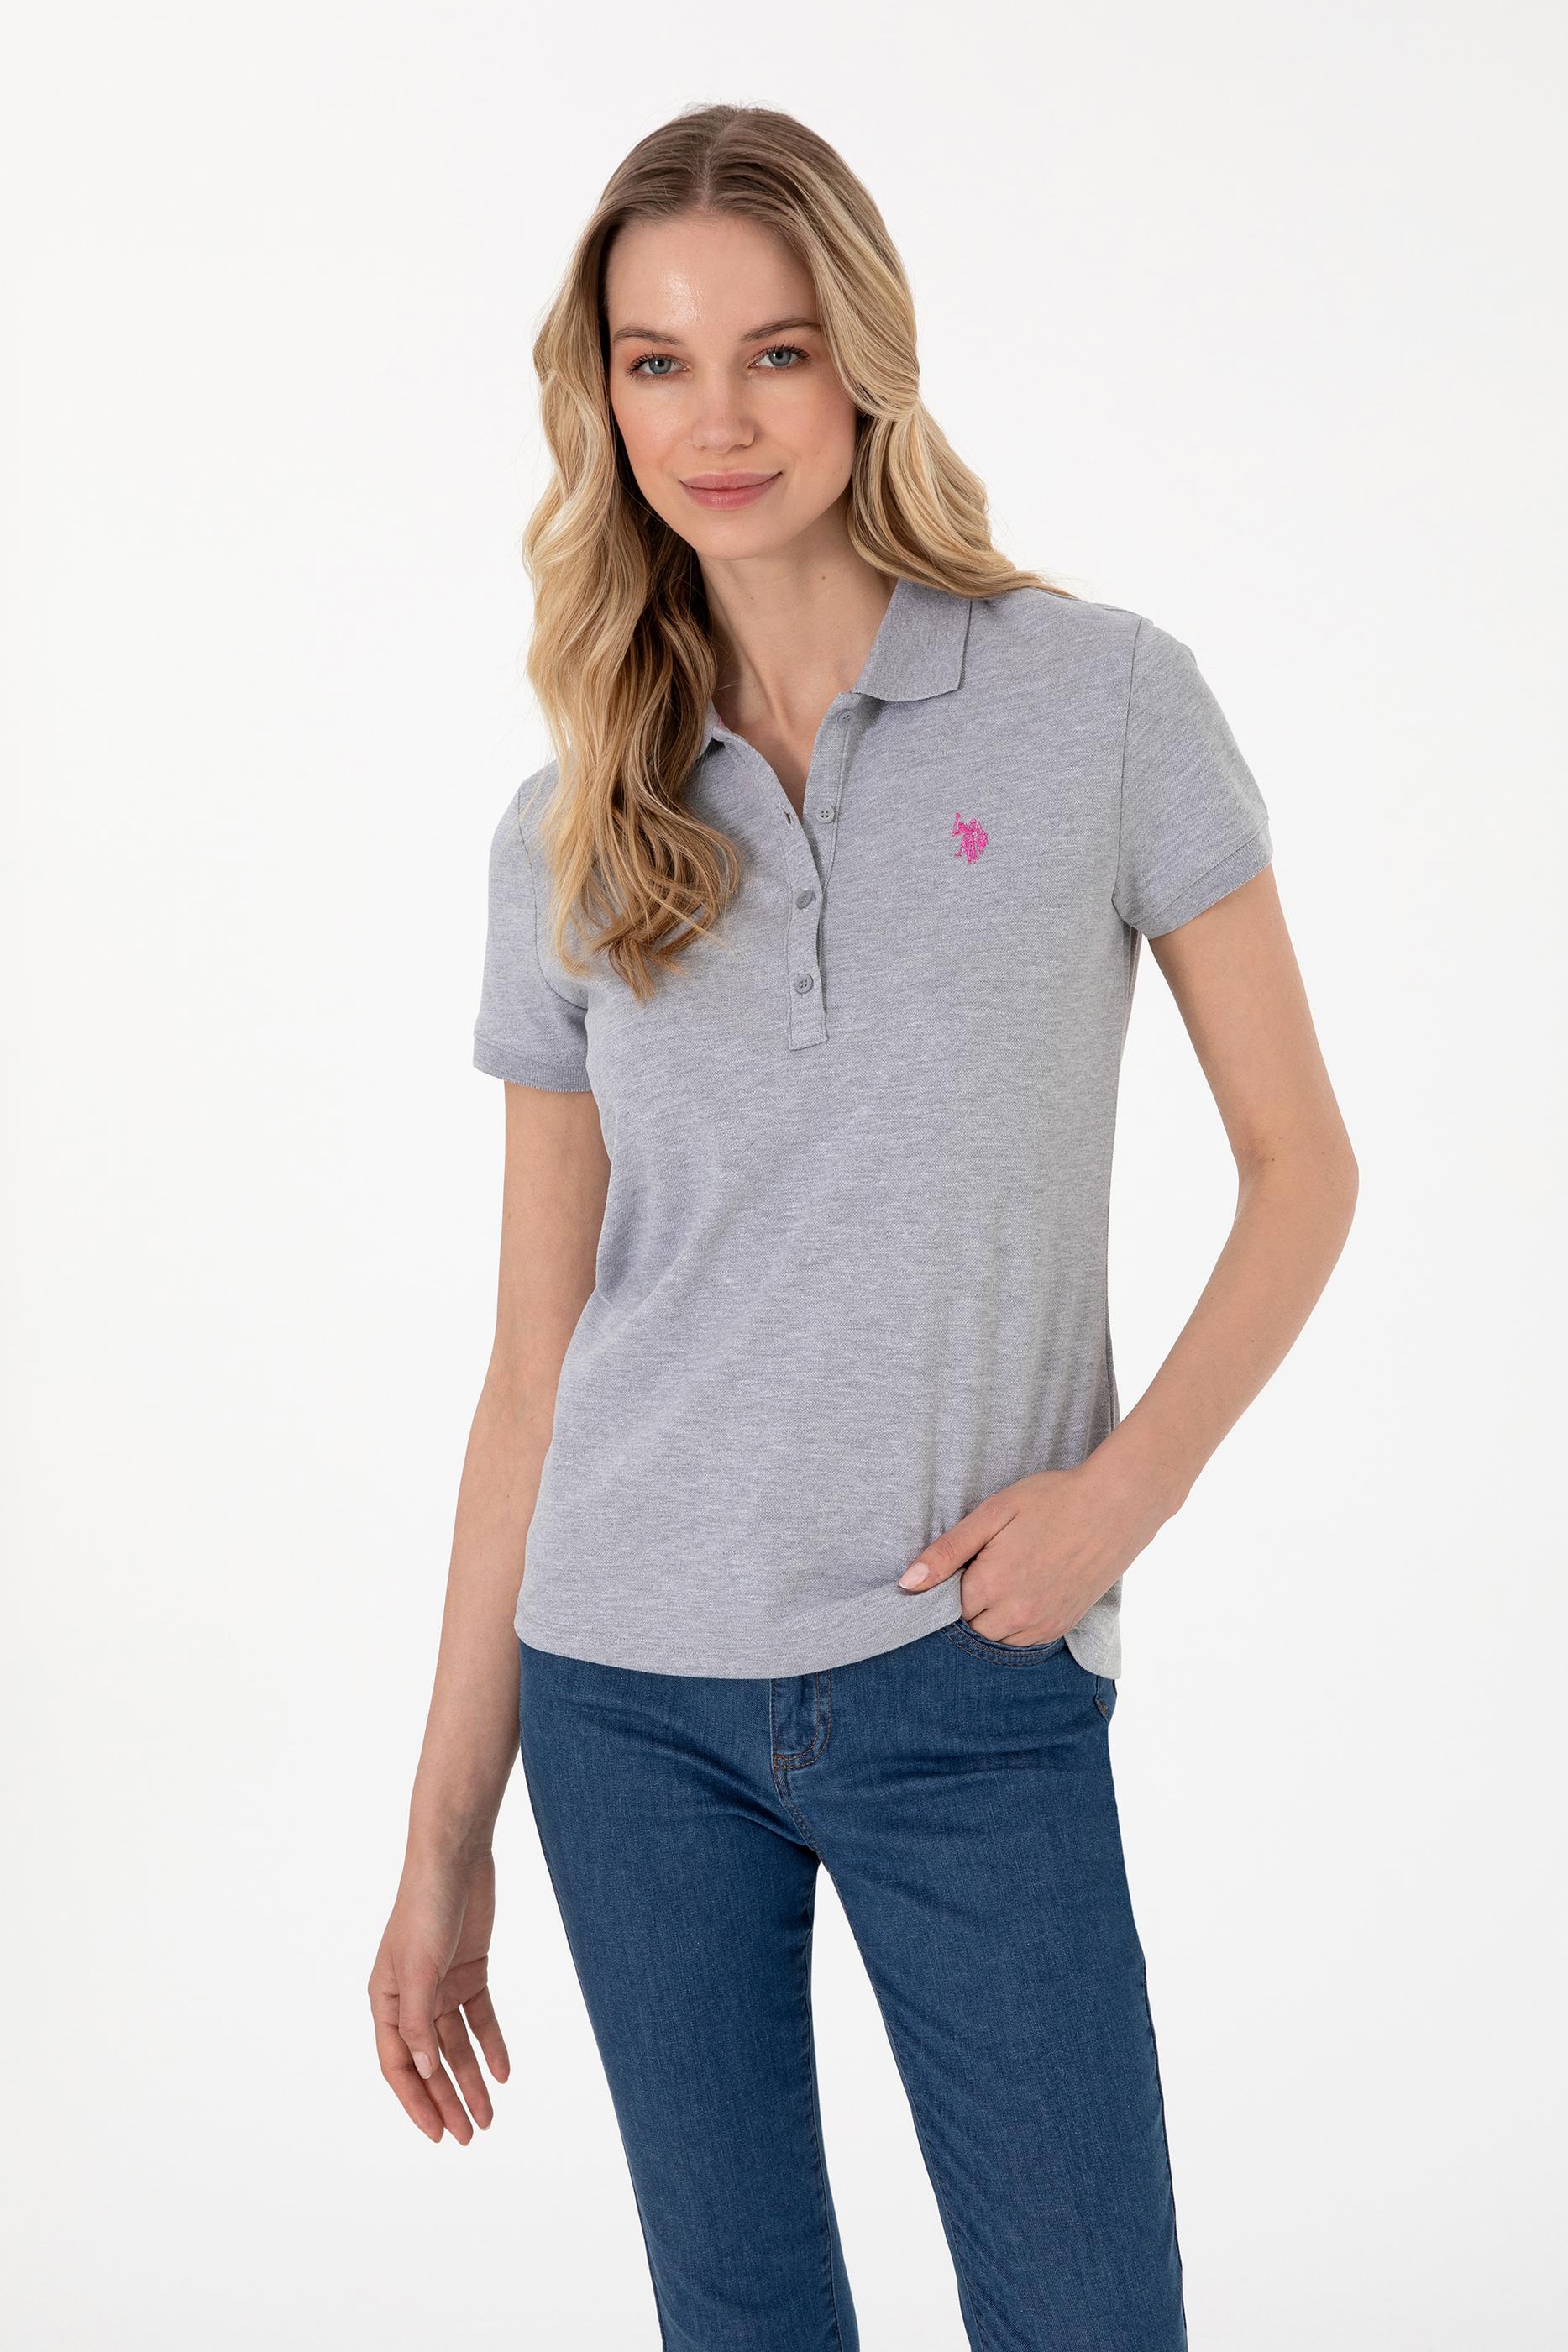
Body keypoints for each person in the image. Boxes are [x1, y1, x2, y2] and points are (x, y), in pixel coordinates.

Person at [369, 102, 1358, 2351]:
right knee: (744, 2324)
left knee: (1087, 2314)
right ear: (600, 398)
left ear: (866, 364)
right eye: (656, 362)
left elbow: (1303, 1167)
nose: (716, 420)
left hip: (967, 1670)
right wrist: (443, 1838)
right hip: (625, 1698)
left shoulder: (1104, 703)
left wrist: (1117, 1499)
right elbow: (532, 1365)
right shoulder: (570, 826)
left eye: (775, 352)